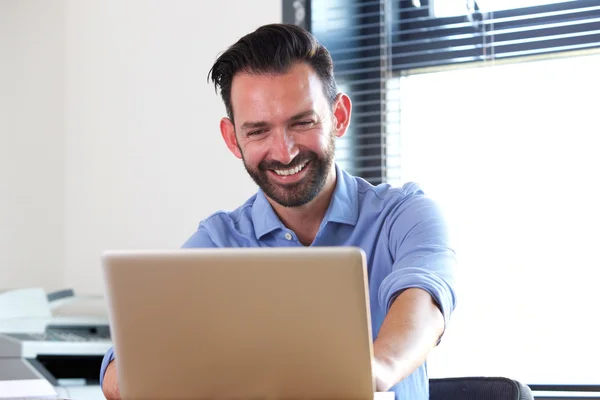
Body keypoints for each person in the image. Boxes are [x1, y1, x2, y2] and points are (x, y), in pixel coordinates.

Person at [100, 23, 457, 400]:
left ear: (338, 116)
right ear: (232, 138)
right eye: (258, 131)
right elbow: (119, 375)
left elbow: (424, 301)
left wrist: (376, 368)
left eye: (302, 123)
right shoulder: (219, 242)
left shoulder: (405, 216)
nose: (284, 152)